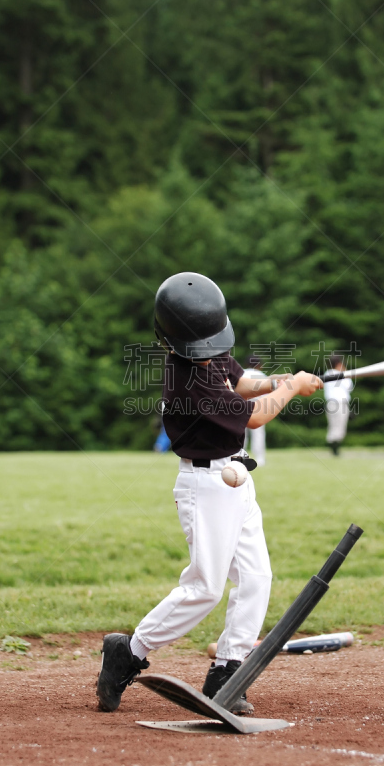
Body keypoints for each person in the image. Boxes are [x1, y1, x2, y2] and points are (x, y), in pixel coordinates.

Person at [96, 272, 322, 716]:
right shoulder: (188, 381)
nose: (211, 356)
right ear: (174, 343)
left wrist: (278, 379)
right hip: (205, 486)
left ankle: (228, 671)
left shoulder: (208, 351)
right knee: (205, 587)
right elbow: (254, 417)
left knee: (256, 578)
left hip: (236, 478)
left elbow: (241, 384)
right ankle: (130, 650)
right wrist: (292, 390)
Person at [323, 353, 354, 456]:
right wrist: (345, 372)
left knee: (332, 425)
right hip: (340, 403)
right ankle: (335, 450)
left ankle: (333, 449)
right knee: (339, 426)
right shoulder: (341, 374)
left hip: (330, 403)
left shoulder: (327, 373)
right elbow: (350, 386)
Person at [242, 355, 267, 466]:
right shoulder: (262, 375)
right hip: (258, 408)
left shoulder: (241, 373)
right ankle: (260, 458)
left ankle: (240, 456)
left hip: (241, 407)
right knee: (258, 434)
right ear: (259, 365)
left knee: (241, 434)